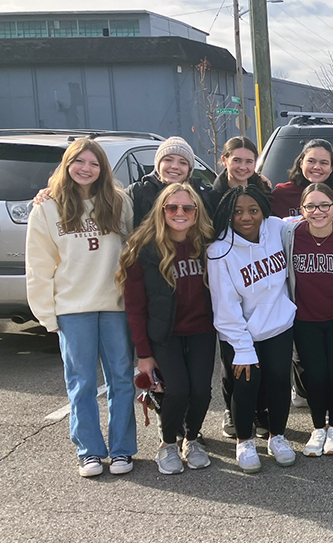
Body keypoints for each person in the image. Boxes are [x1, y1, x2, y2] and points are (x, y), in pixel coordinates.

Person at [25, 138, 136, 477]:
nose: (86, 168)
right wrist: (47, 313)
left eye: (94, 163)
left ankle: (122, 450)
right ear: (67, 165)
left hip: (115, 306)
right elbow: (39, 265)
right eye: (79, 162)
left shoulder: (119, 203)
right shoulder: (47, 208)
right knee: (81, 382)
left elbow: (132, 250)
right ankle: (89, 451)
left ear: (103, 169)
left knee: (121, 379)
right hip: (73, 309)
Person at [117, 183, 216, 474]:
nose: (180, 213)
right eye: (172, 207)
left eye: (187, 207)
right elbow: (135, 308)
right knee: (176, 390)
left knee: (201, 391)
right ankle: (167, 443)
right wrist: (144, 355)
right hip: (164, 333)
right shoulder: (143, 250)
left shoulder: (208, 246)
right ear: (161, 211)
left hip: (201, 330)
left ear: (197, 213)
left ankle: (192, 439)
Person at [207, 185, 297, 473]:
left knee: (280, 382)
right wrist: (243, 349)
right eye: (238, 212)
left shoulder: (275, 228)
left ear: (264, 211)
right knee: (246, 384)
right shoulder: (220, 250)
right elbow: (225, 308)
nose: (246, 217)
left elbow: (303, 221)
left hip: (279, 325)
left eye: (253, 210)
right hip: (240, 332)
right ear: (228, 215)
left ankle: (277, 436)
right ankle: (244, 441)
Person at [281, 183, 333, 456]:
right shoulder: (289, 234)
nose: (318, 211)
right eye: (311, 206)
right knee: (314, 377)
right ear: (301, 210)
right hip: (305, 320)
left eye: (324, 205)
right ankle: (318, 428)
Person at [210, 136, 273, 439]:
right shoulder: (212, 195)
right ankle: (231, 409)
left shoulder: (263, 189)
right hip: (226, 275)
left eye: (249, 161)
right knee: (232, 353)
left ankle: (261, 412)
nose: (243, 166)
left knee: (261, 356)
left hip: (258, 280)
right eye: (237, 160)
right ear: (225, 161)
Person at [127, 136, 217, 227]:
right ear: (158, 164)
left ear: (189, 170)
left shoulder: (202, 194)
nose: (175, 166)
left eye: (183, 162)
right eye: (168, 160)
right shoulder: (138, 193)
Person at [273, 139, 333, 219]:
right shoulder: (282, 194)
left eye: (324, 163)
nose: (317, 167)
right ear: (301, 163)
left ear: (331, 168)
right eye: (311, 161)